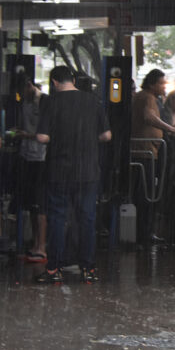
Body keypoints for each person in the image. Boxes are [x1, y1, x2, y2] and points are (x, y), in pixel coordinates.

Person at [34, 66, 111, 284]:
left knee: (58, 218)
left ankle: (54, 270)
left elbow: (42, 137)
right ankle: (88, 269)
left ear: (55, 82)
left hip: (60, 170)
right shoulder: (93, 101)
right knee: (87, 218)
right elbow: (106, 135)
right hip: (87, 171)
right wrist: (86, 140)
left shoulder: (52, 102)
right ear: (74, 80)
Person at [130, 69, 175, 246]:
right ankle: (143, 233)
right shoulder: (147, 97)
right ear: (152, 83)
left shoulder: (147, 97)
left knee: (146, 194)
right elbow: (148, 117)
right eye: (161, 83)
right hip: (144, 152)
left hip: (149, 150)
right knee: (146, 194)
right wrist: (170, 128)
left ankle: (145, 232)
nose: (163, 86)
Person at [14, 78, 48, 263]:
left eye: (22, 90)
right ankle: (35, 244)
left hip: (41, 158)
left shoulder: (44, 101)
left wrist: (26, 135)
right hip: (27, 155)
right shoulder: (24, 103)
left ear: (29, 85)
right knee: (32, 204)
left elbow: (45, 133)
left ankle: (41, 246)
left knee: (40, 203)